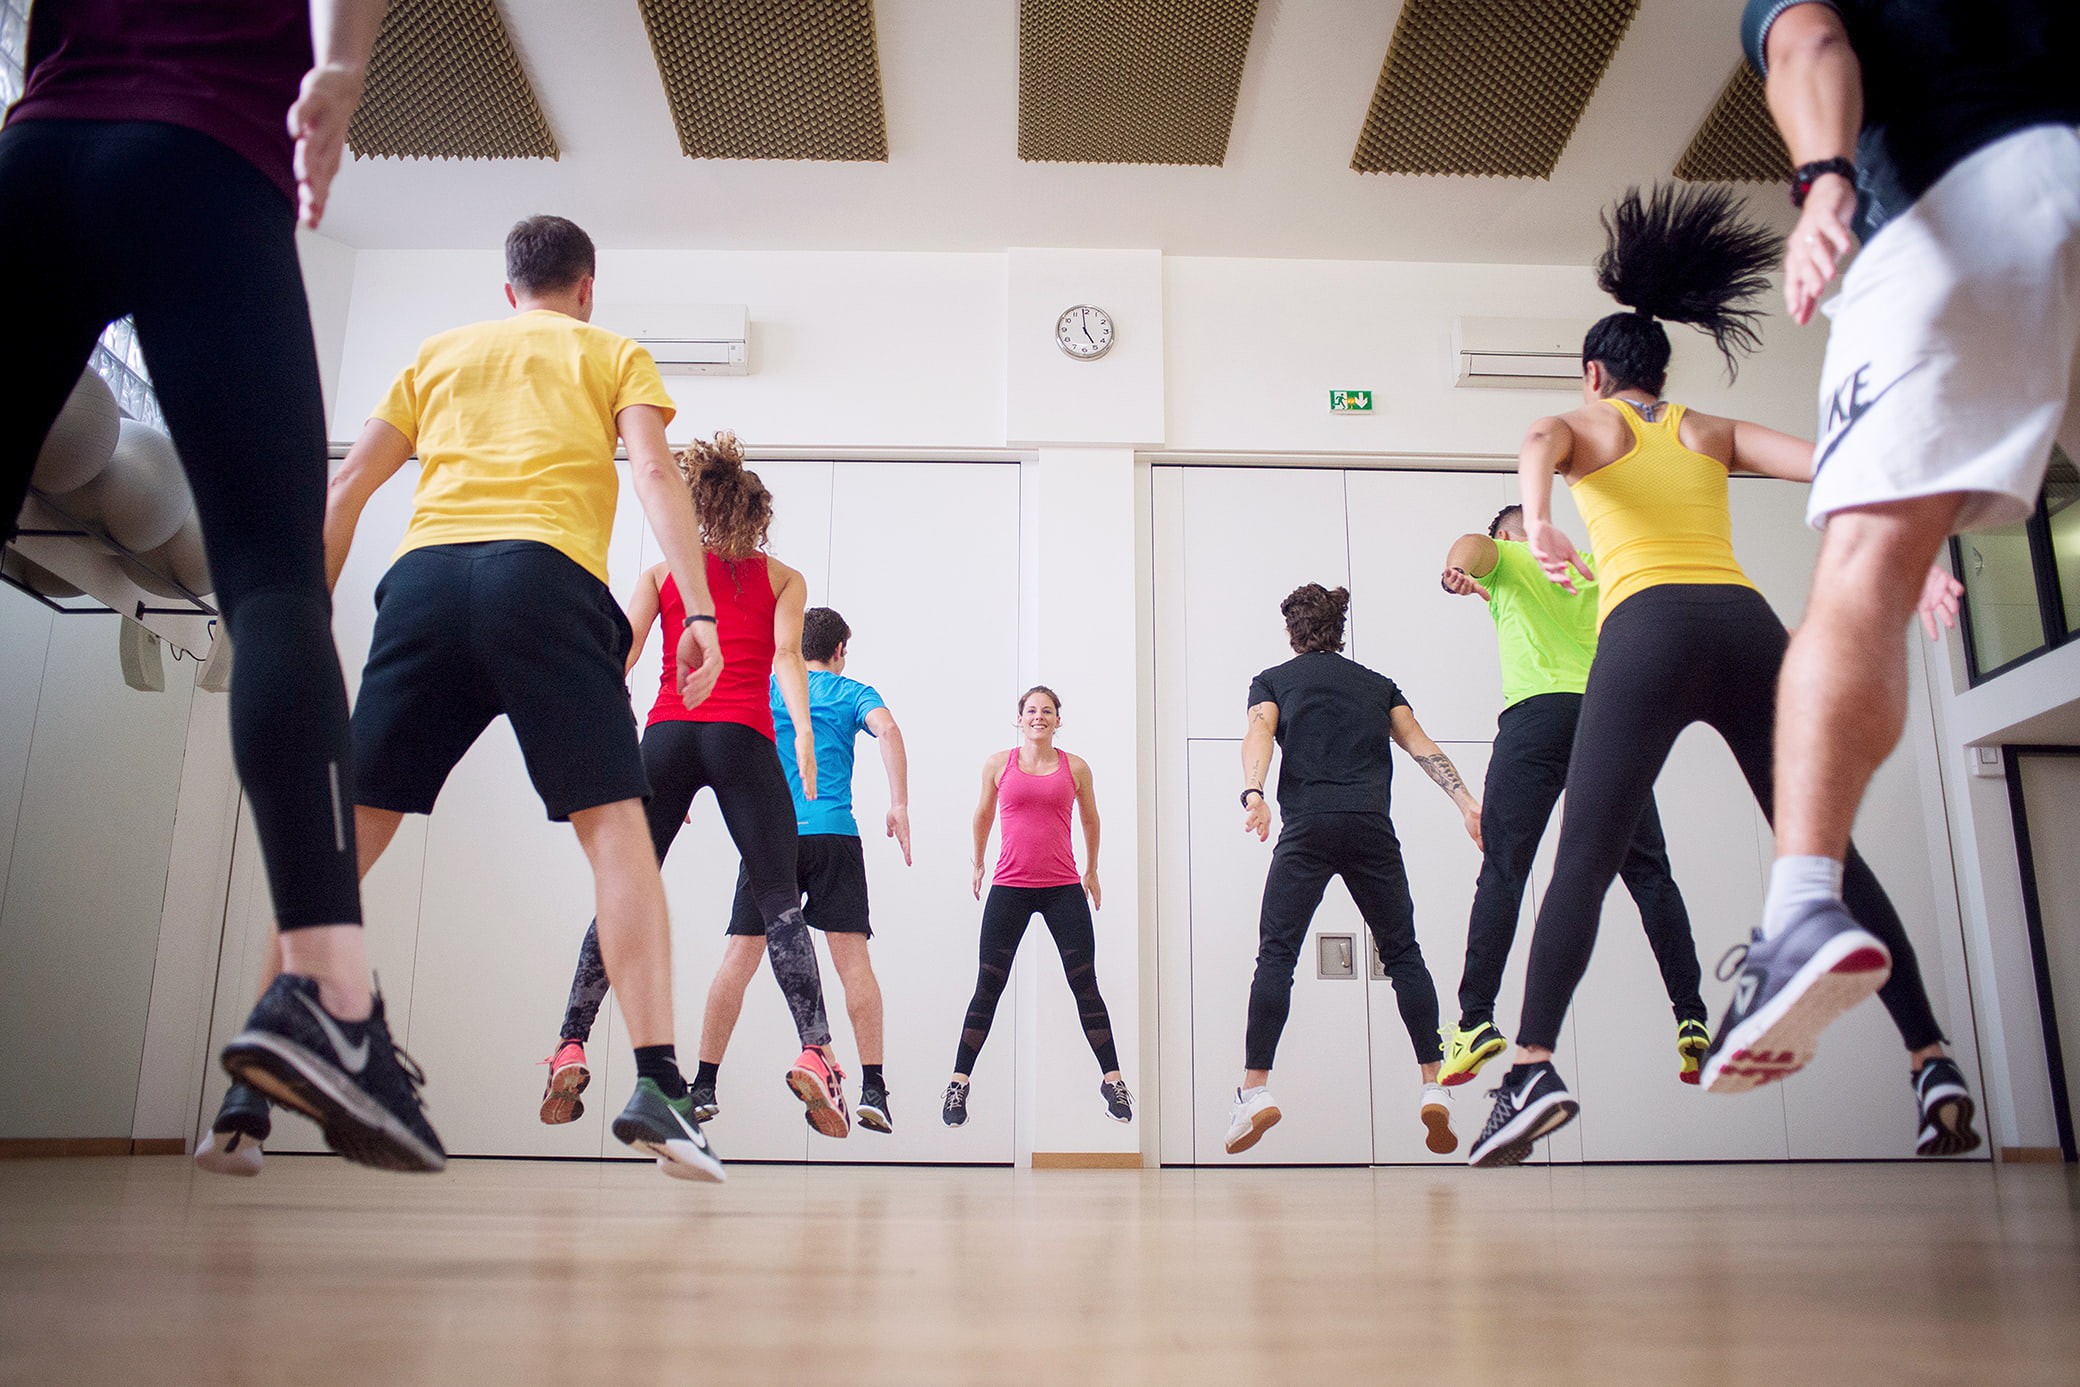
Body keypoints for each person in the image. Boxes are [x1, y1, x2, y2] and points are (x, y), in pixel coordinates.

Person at [0, 0, 445, 1174]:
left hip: (36, 152)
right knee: (274, 585)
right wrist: (341, 68)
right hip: (205, 157)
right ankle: (329, 994)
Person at [1467, 184, 1980, 1168]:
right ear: (1661, 367)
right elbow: (1838, 463)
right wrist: (1911, 564)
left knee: (1585, 852)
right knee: (1820, 850)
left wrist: (1536, 518)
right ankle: (1931, 1060)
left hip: (1647, 629)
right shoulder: (1708, 429)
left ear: (1594, 374)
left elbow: (1539, 440)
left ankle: (1530, 1066)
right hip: (1747, 633)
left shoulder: (1593, 425)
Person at [266, 213, 731, 1181]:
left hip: (424, 581)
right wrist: (697, 615)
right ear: (586, 287)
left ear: (507, 289)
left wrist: (303, 622)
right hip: (543, 579)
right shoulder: (611, 351)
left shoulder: (440, 353)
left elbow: (347, 483)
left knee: (350, 828)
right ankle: (655, 1084)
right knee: (616, 831)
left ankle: (246, 1089)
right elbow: (651, 471)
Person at [1730, 3, 2075, 1115]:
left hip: (1952, 210)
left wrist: (1823, 178)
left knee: (1860, 572)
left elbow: (1809, 44)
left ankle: (1800, 910)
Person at [545, 439, 851, 1138]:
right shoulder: (784, 578)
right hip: (743, 736)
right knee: (778, 898)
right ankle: (815, 1047)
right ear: (756, 512)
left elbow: (615, 658)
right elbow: (784, 658)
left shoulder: (661, 574)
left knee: (624, 890)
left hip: (667, 738)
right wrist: (802, 733)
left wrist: (615, 752)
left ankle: (570, 1041)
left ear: (695, 505)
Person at [1438, 505, 1709, 1087]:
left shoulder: (1509, 555)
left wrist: (1456, 571)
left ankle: (1476, 1021)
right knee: (1651, 876)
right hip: (1609, 722)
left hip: (1538, 720)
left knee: (1504, 870)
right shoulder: (1590, 570)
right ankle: (1692, 1018)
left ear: (1508, 536)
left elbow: (1469, 546)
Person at [1225, 584, 1482, 1157]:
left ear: (1292, 632)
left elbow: (1259, 732)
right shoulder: (1377, 684)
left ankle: (1255, 1090)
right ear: (1339, 630)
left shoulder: (1273, 681)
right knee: (1404, 953)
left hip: (1308, 828)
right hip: (1371, 827)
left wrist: (1253, 794)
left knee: (1277, 957)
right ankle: (1432, 1084)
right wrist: (1466, 802)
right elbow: (1420, 744)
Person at [691, 607, 911, 1132]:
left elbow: (710, 731)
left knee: (739, 959)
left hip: (770, 836)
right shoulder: (852, 692)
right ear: (839, 650)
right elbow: (889, 732)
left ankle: (702, 1084)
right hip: (834, 835)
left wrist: (683, 790)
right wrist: (899, 803)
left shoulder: (768, 689)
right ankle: (874, 1089)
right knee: (852, 964)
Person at [943, 686, 1131, 1127]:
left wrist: (1093, 869)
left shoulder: (1076, 768)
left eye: (1047, 711)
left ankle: (1114, 1081)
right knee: (987, 987)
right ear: (1019, 718)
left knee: (1085, 984)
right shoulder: (998, 764)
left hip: (1063, 887)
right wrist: (977, 863)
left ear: (1058, 720)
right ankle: (958, 1084)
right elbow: (982, 815)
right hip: (1010, 886)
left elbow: (1091, 819)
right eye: (1031, 711)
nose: (1038, 717)